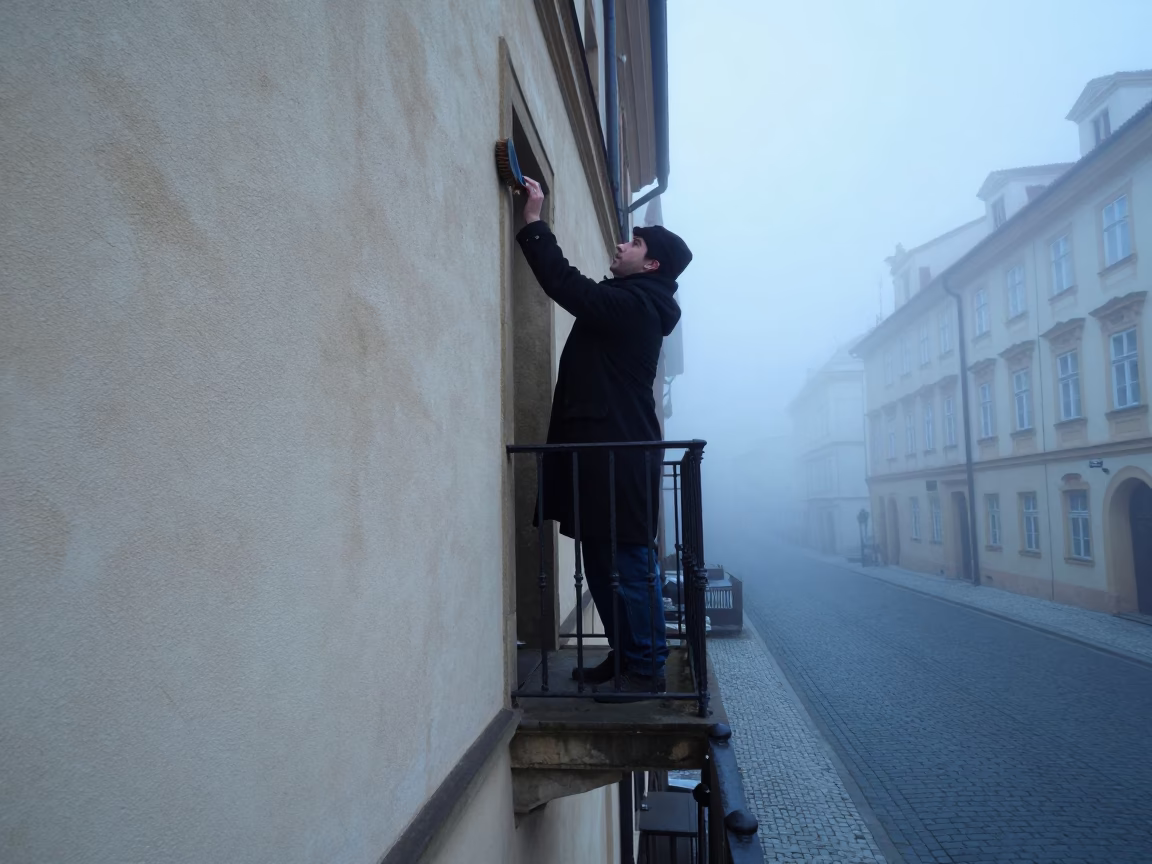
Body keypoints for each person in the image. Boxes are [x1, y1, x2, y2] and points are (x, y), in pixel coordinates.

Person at [515, 176, 692, 694]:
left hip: (619, 457)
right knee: (601, 560)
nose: (621, 245)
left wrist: (534, 223)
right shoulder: (634, 299)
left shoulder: (639, 307)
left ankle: (646, 667)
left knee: (630, 561)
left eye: (634, 243)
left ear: (652, 263)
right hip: (602, 454)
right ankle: (626, 655)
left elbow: (568, 287)